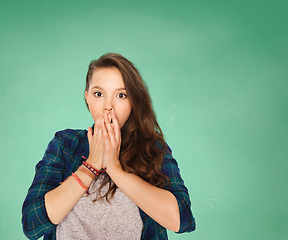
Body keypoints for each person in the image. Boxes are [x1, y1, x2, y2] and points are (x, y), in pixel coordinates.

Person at [22, 53, 196, 240]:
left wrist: (115, 169)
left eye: (121, 95)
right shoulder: (66, 144)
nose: (108, 107)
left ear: (133, 101)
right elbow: (32, 225)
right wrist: (91, 166)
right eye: (99, 94)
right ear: (87, 98)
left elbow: (182, 220)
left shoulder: (153, 148)